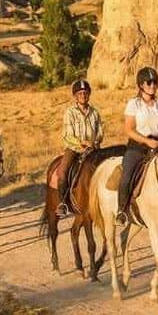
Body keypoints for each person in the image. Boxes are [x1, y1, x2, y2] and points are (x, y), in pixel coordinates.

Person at [116, 67, 158, 227]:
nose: (153, 85)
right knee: (127, 175)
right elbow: (129, 129)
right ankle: (122, 210)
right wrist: (148, 142)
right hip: (138, 146)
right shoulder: (134, 104)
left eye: (155, 82)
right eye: (149, 82)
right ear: (141, 85)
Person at [56, 79, 104, 218]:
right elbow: (67, 134)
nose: (83, 95)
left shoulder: (95, 113)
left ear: (89, 94)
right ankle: (63, 202)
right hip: (74, 149)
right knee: (62, 172)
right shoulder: (70, 113)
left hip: (93, 148)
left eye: (85, 93)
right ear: (75, 96)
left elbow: (100, 131)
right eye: (80, 93)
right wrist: (81, 142)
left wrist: (95, 141)